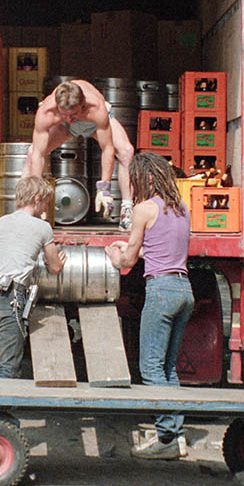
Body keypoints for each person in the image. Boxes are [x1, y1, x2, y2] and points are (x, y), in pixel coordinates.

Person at [105, 152, 193, 460]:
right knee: (168, 368)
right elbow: (163, 249)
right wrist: (137, 252)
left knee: (150, 367)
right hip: (184, 289)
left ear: (147, 178)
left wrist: (115, 254)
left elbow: (127, 261)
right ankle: (176, 435)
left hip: (161, 291)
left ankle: (166, 437)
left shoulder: (144, 210)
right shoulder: (182, 208)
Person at [0, 176, 65, 378]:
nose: (45, 208)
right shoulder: (42, 227)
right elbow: (54, 267)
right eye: (45, 202)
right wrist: (58, 259)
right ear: (36, 199)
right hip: (10, 298)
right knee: (8, 370)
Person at [23, 79, 135, 228]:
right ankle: (26, 210)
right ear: (58, 107)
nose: (70, 119)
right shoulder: (47, 112)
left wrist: (104, 188)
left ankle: (127, 210)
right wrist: (37, 194)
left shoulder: (96, 107)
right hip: (63, 128)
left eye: (73, 114)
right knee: (31, 153)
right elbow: (38, 153)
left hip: (93, 124)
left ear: (83, 105)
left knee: (127, 152)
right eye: (65, 114)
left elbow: (107, 149)